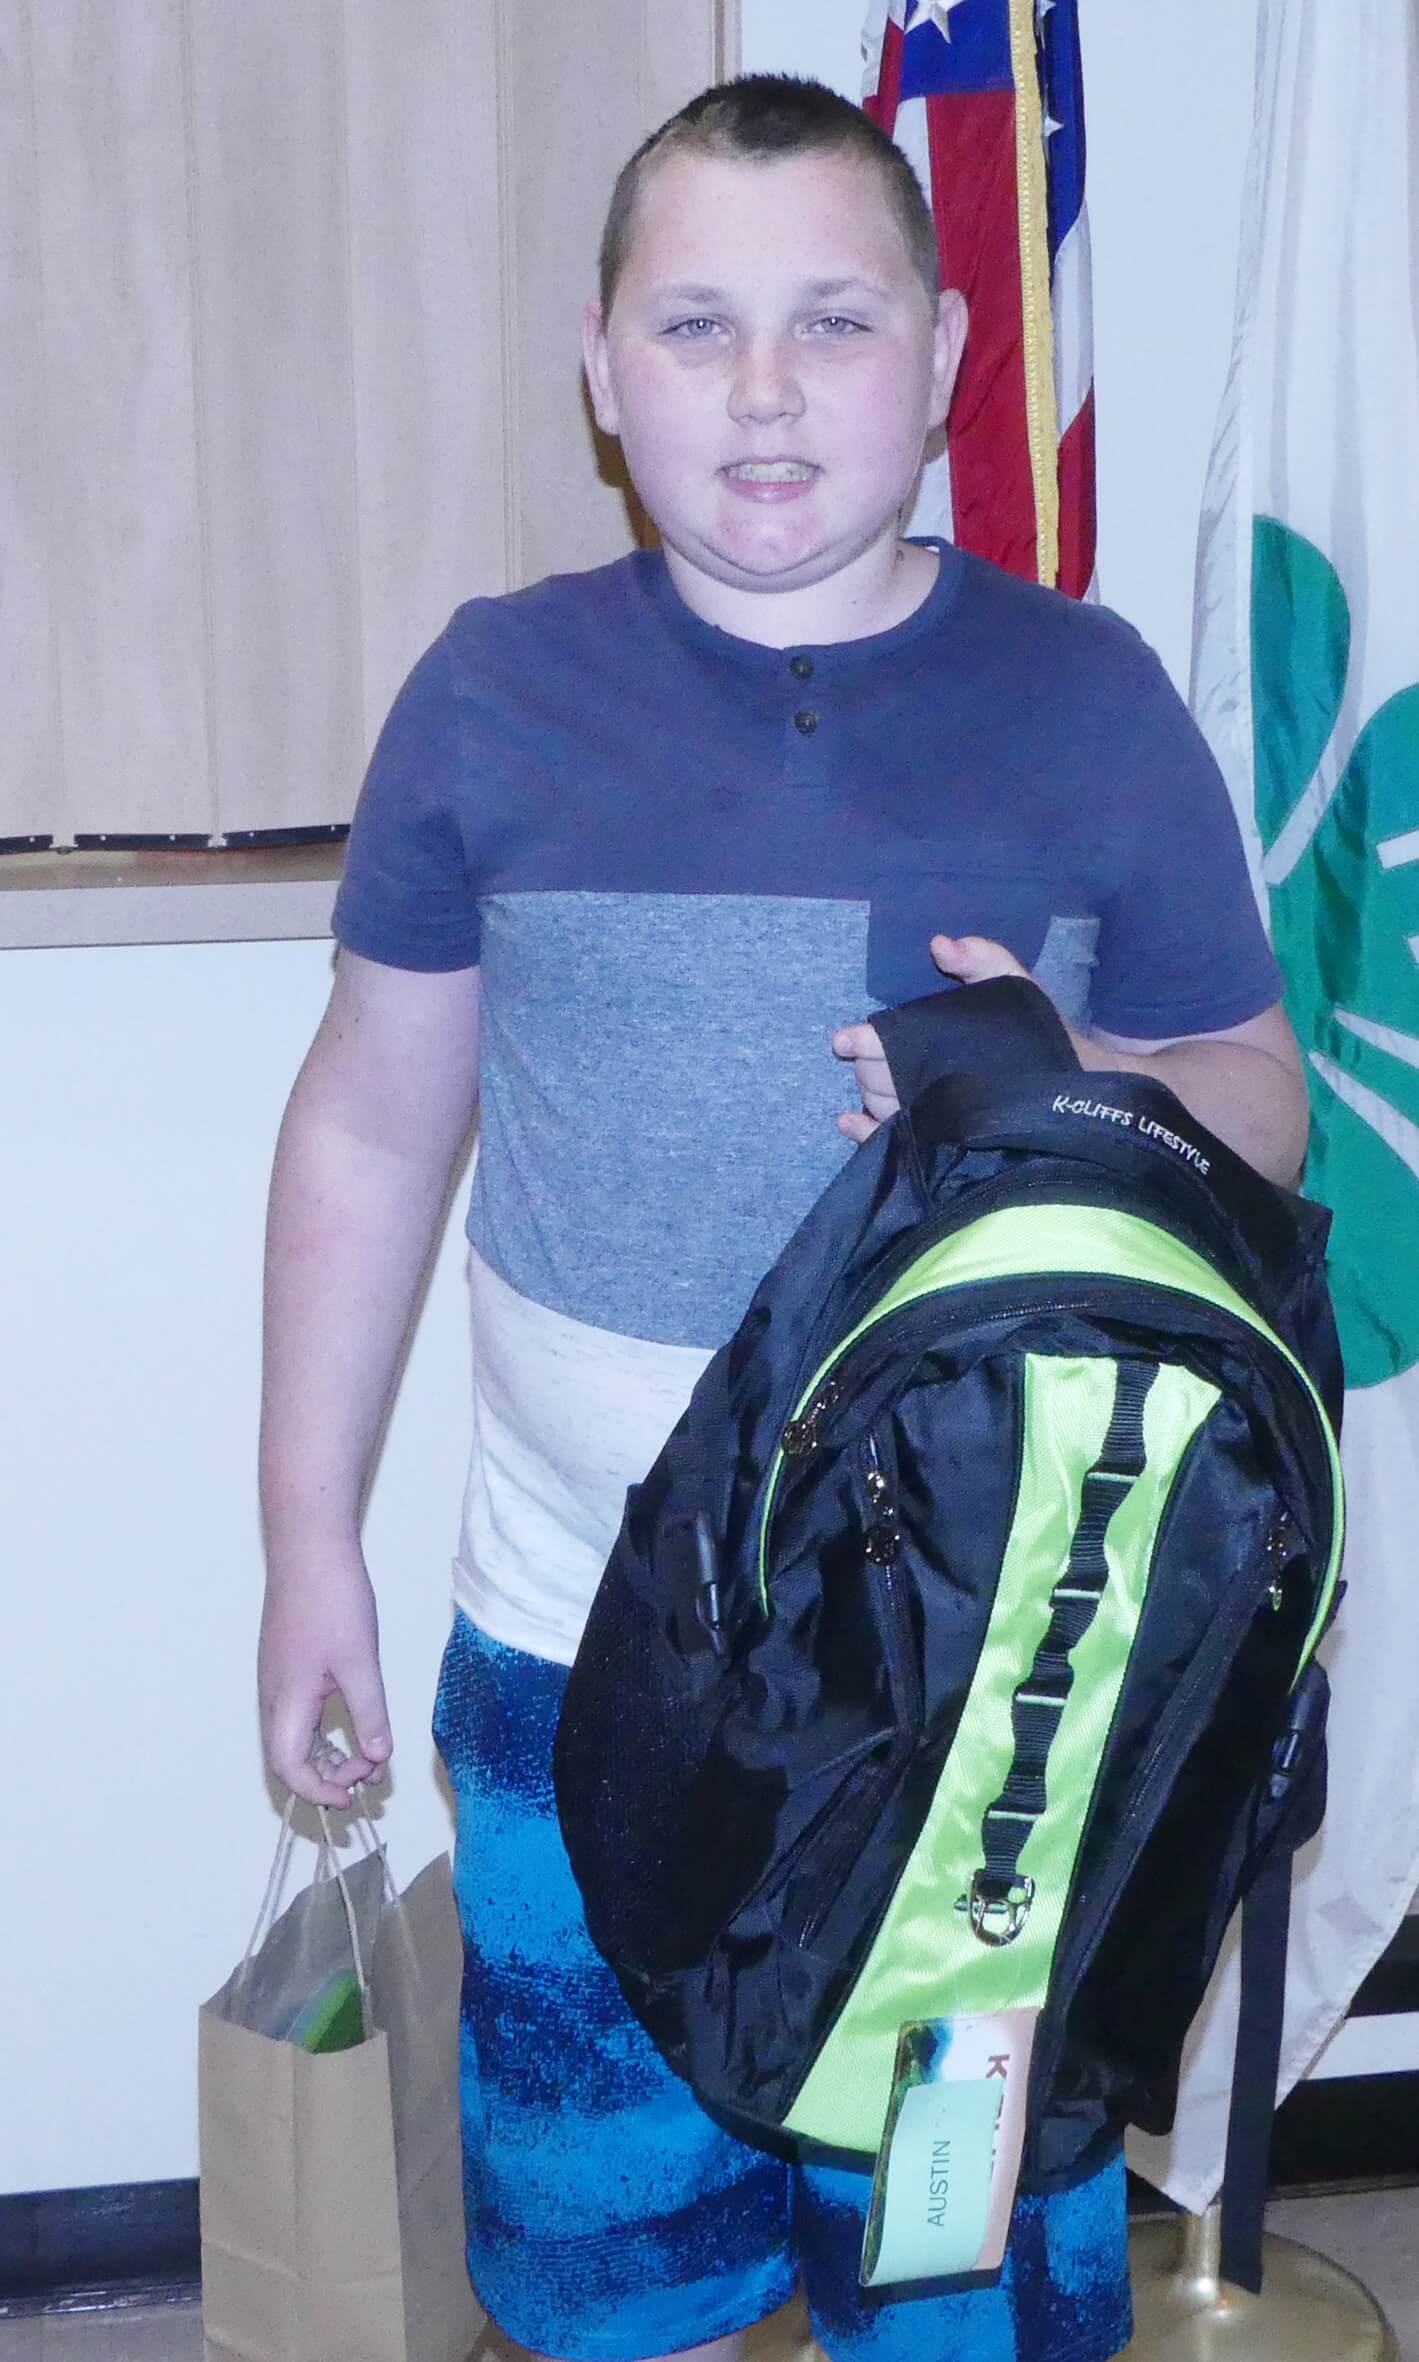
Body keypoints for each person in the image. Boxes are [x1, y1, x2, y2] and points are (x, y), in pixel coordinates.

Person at [258, 73, 1307, 2362]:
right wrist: (305, 1543)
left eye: (832, 322)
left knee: (948, 2291)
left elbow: (1261, 1107)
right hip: (562, 1671)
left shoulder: (1085, 698)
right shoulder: (488, 696)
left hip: (985, 1704)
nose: (759, 390)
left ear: (941, 355)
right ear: (598, 366)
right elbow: (363, 1129)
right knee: (608, 2284)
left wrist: (1075, 1068)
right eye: (695, 322)